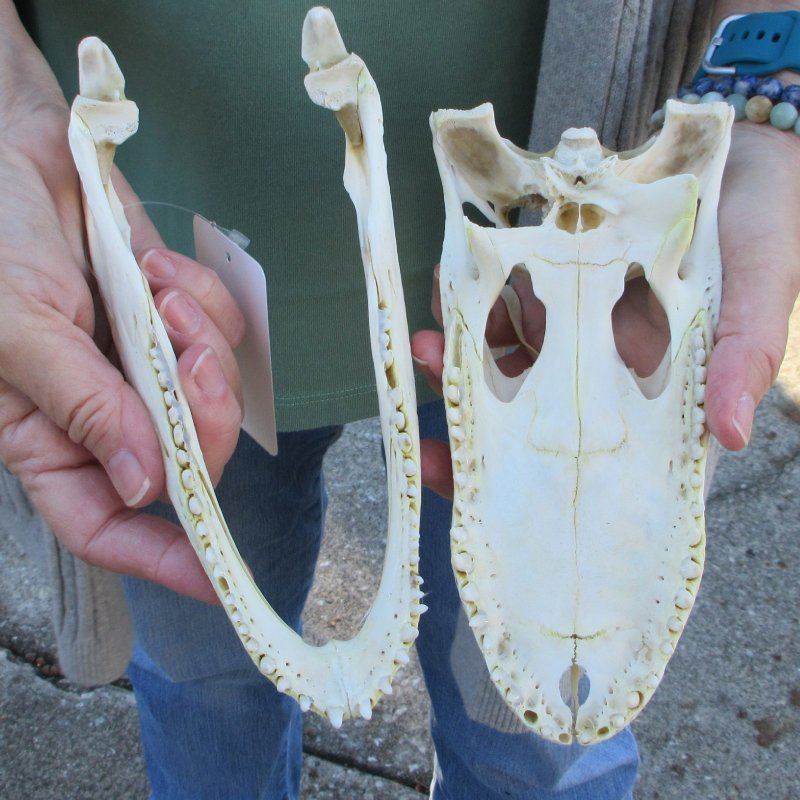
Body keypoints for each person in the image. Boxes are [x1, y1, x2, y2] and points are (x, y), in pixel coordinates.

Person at [1, 1, 798, 798]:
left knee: (541, 742)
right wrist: (9, 105)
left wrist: (768, 81)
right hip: (175, 263)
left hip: (528, 307)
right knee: (203, 676)